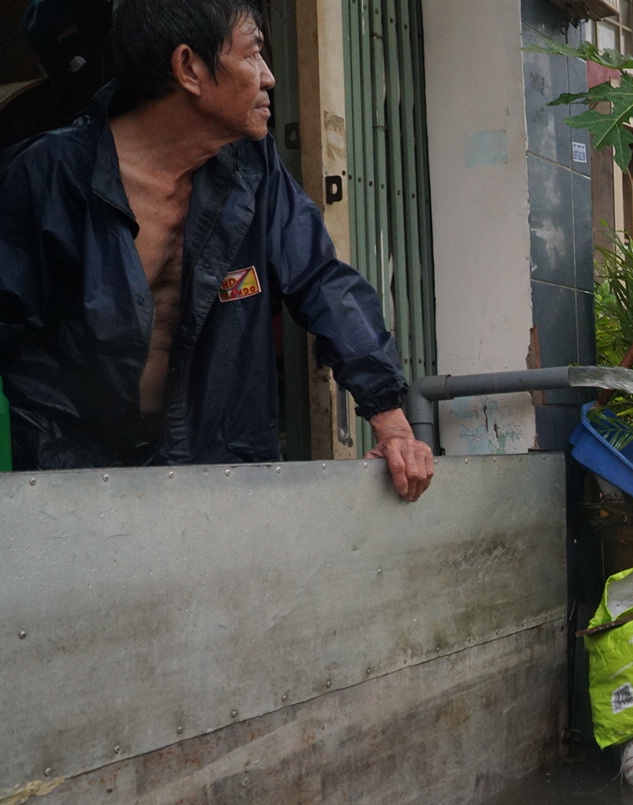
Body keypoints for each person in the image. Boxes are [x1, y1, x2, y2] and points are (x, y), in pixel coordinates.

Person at [0, 0, 433, 500]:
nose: (269, 77)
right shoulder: (47, 178)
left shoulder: (252, 168)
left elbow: (321, 279)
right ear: (189, 68)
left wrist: (391, 420)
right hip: (73, 475)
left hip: (219, 463)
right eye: (252, 56)